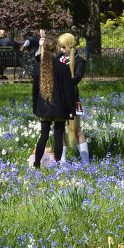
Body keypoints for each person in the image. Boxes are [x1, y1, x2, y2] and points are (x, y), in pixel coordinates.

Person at [30, 34, 78, 169]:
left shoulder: (37, 67)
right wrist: (71, 110)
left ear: (43, 49)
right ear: (55, 49)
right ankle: (56, 165)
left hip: (43, 107)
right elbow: (68, 92)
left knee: (43, 136)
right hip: (60, 108)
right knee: (58, 135)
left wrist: (35, 108)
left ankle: (37, 163)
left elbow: (34, 91)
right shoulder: (63, 68)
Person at [57, 32, 90, 163]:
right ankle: (63, 161)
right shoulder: (58, 58)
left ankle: (86, 162)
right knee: (60, 130)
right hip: (58, 97)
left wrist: (63, 81)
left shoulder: (79, 61)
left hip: (71, 97)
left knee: (76, 130)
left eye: (64, 47)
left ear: (70, 46)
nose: (61, 50)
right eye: (60, 47)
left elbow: (77, 78)